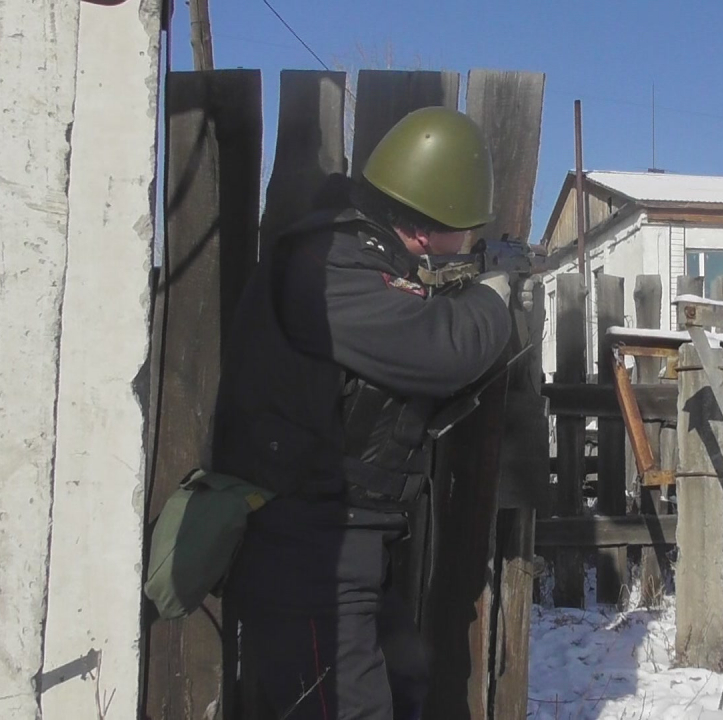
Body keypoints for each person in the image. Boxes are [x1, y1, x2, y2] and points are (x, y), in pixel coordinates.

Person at [211, 107, 517, 719]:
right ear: (430, 228)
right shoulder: (329, 268)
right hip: (308, 554)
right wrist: (493, 297)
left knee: (401, 690)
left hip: (346, 545)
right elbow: (444, 348)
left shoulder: (361, 260)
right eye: (466, 228)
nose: (470, 243)